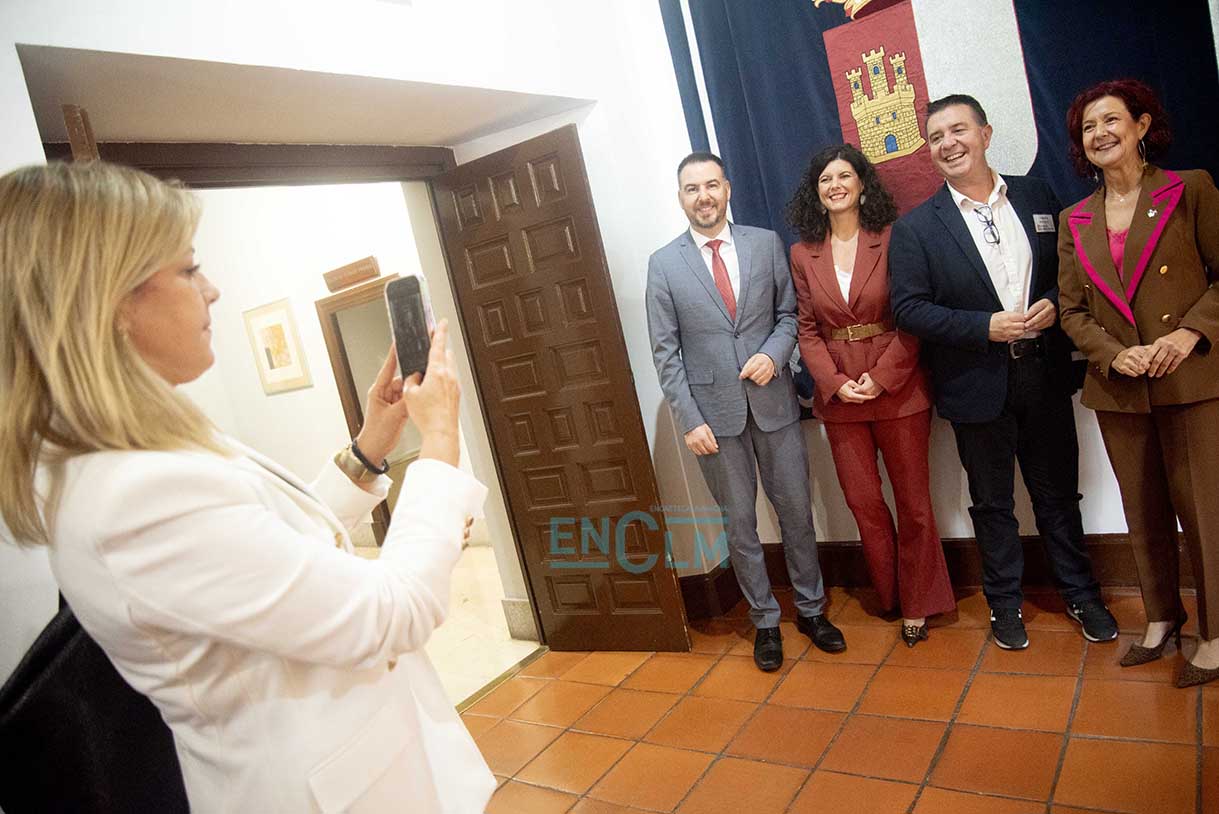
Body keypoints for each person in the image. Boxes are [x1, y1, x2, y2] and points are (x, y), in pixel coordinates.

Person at [0, 161, 495, 813]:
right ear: (109, 301)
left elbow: (269, 550)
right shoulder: (133, 495)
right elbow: (392, 613)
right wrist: (439, 441)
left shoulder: (137, 448)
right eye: (188, 269)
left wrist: (372, 444)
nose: (211, 290)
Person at [888, 95, 1118, 651]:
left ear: (985, 135)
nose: (948, 143)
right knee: (992, 505)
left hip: (1044, 375)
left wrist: (1055, 306)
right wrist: (982, 327)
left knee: (1058, 496)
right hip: (974, 384)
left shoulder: (1037, 196)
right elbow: (909, 309)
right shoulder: (917, 228)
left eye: (959, 130)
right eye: (936, 136)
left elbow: (1072, 273)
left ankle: (1082, 595)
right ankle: (1005, 603)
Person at [646, 151, 844, 671]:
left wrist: (774, 355)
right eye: (692, 188)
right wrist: (690, 420)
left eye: (711, 185)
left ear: (727, 189)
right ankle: (764, 621)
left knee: (797, 513)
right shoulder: (663, 265)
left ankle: (811, 609)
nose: (704, 197)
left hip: (774, 403)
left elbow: (789, 315)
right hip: (713, 420)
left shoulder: (765, 243)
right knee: (739, 524)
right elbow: (665, 354)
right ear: (681, 197)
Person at [1057, 79, 1219, 688]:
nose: (1099, 134)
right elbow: (1072, 310)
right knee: (1142, 509)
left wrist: (1190, 334)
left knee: (1205, 511)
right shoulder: (1075, 219)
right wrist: (1113, 355)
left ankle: (1216, 633)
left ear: (1142, 125)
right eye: (1088, 128)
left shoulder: (1190, 188)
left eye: (1110, 121)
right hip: (1120, 384)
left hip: (1190, 375)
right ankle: (1161, 617)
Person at [787, 144, 955, 647]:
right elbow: (806, 329)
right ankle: (891, 594)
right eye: (825, 180)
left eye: (844, 176)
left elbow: (912, 314)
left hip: (898, 388)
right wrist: (834, 382)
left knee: (914, 504)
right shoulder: (802, 253)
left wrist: (881, 377)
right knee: (864, 503)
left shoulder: (894, 237)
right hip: (840, 397)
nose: (835, 185)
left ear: (862, 184)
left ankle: (919, 604)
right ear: (816, 193)